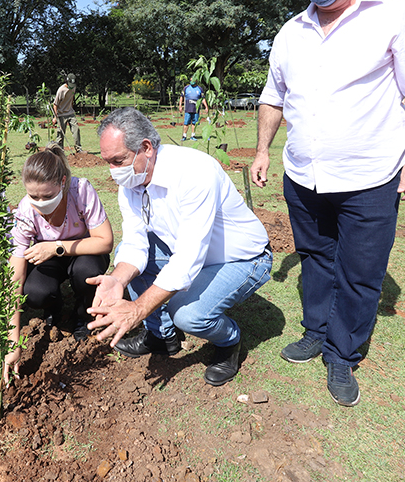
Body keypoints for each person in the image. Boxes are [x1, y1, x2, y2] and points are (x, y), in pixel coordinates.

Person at [250, 0, 405, 407]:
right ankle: (316, 331)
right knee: (316, 260)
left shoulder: (397, 15)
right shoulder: (291, 31)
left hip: (370, 178)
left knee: (360, 272)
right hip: (303, 176)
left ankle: (342, 353)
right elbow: (273, 98)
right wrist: (262, 151)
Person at [87, 107, 272, 387]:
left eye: (118, 160)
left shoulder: (194, 172)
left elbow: (187, 258)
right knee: (129, 253)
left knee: (188, 315)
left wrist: (138, 309)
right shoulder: (132, 182)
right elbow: (136, 242)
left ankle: (229, 340)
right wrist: (117, 279)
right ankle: (161, 336)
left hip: (241, 258)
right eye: (108, 162)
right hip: (191, 253)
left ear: (146, 148)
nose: (113, 171)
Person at [4, 145, 113, 376]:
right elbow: (15, 275)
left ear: (62, 182)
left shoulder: (81, 191)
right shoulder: (25, 211)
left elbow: (105, 242)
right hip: (48, 257)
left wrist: (56, 247)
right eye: (33, 196)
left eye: (47, 196)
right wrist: (12, 341)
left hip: (84, 251)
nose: (40, 203)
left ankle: (83, 314)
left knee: (86, 273)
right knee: (35, 293)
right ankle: (53, 308)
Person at [52, 73, 83, 153]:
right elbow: (55, 104)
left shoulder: (73, 87)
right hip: (61, 114)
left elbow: (71, 98)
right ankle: (60, 151)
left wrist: (71, 108)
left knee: (76, 129)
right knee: (61, 133)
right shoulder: (61, 90)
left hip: (70, 113)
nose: (71, 86)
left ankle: (78, 149)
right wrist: (55, 117)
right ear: (66, 82)